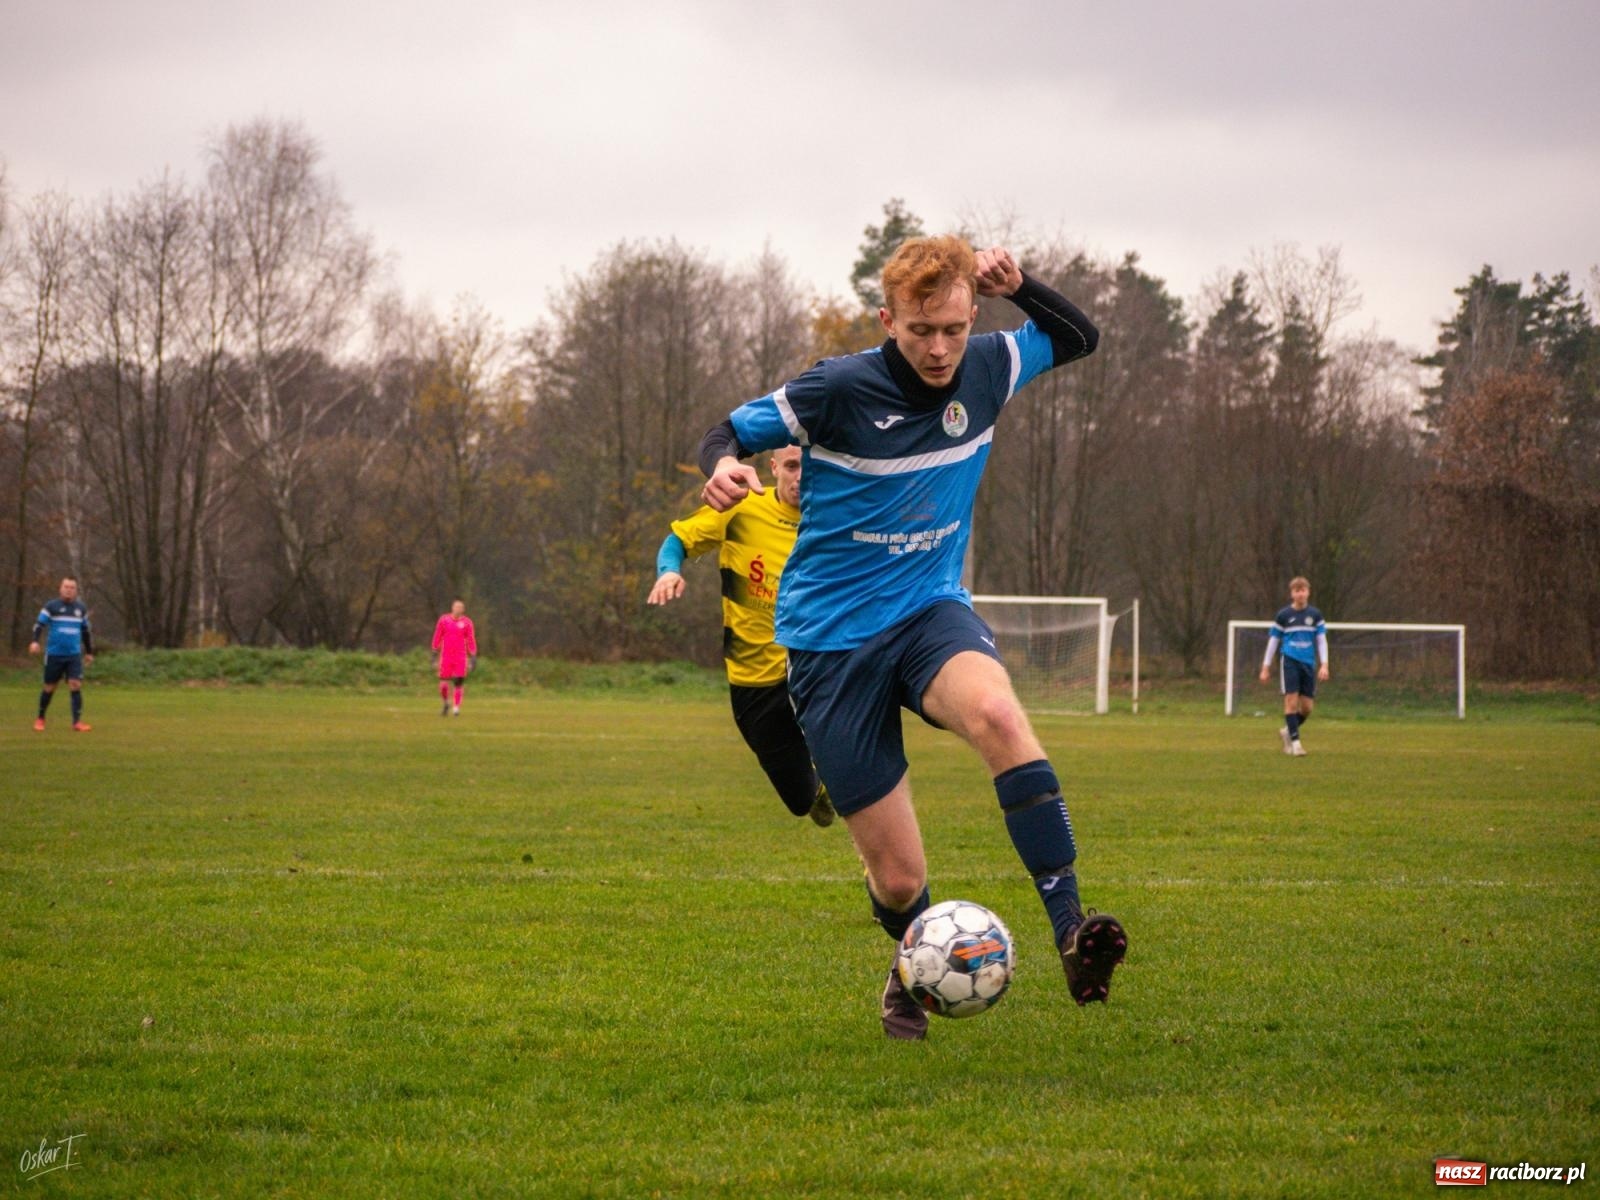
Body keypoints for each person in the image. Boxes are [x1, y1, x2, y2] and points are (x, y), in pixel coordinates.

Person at [697, 236, 1125, 1039]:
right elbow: (728, 428)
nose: (939, 349)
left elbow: (1078, 338)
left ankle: (1071, 932)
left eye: (955, 329)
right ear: (888, 320)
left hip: (929, 612)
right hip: (829, 644)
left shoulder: (993, 364)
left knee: (1000, 718)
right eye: (921, 331)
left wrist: (1022, 286)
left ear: (972, 317)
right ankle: (910, 969)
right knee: (898, 880)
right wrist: (721, 465)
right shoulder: (838, 387)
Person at [647, 445, 835, 828]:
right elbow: (677, 540)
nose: (801, 475)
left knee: (850, 729)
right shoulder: (742, 509)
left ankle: (852, 780)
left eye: (810, 465)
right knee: (799, 800)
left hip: (815, 666)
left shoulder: (840, 521)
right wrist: (668, 571)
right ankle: (816, 790)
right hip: (754, 678)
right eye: (792, 465)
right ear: (774, 468)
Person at [1259, 576, 1329, 756]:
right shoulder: (1283, 616)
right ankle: (1296, 743)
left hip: (1308, 663)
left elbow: (1321, 641)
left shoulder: (1315, 615)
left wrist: (1324, 664)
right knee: (1291, 701)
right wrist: (1265, 667)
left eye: (1303, 590)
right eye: (1296, 590)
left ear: (1308, 592)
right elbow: (1273, 641)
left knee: (1307, 708)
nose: (1300, 593)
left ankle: (1287, 731)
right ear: (1292, 594)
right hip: (1289, 661)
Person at [29, 577, 94, 732]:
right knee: (49, 687)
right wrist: (35, 641)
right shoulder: (51, 606)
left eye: (72, 587)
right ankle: (40, 718)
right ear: (60, 588)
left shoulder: (81, 609)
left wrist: (89, 652)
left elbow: (85, 632)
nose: (68, 590)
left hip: (73, 655)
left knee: (75, 684)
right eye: (66, 586)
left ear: (76, 590)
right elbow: (39, 625)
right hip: (54, 655)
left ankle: (76, 722)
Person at [431, 600, 477, 716]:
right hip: (446, 656)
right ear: (452, 608)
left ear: (463, 609)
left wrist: (473, 655)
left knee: (458, 682)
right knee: (443, 684)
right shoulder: (444, 620)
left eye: (460, 607)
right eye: (456, 607)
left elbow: (471, 639)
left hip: (460, 656)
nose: (458, 609)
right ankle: (446, 702)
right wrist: (434, 651)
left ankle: (456, 707)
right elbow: (437, 635)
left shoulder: (467, 622)